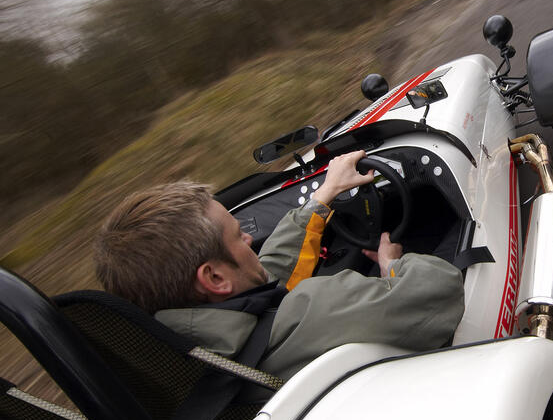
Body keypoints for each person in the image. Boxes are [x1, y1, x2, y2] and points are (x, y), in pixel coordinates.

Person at [94, 150, 464, 380]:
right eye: (238, 237)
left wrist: (322, 199)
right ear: (214, 278)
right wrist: (390, 266)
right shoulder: (316, 312)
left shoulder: (189, 351)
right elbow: (440, 291)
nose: (251, 239)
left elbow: (266, 280)